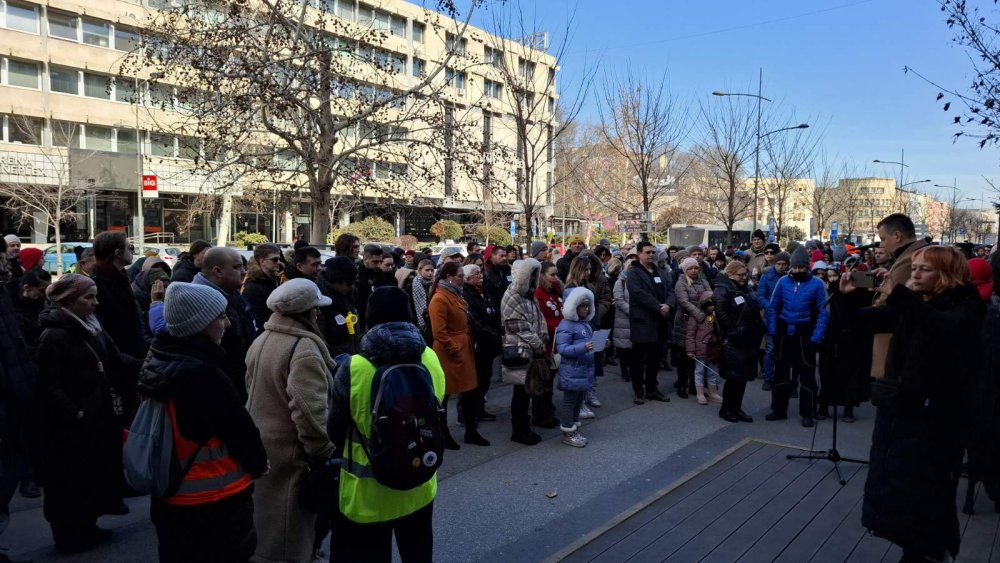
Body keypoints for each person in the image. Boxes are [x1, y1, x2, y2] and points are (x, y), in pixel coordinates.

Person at [839, 245, 984, 562]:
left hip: (934, 421)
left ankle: (926, 553)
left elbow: (944, 330)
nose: (914, 273)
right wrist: (849, 296)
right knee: (899, 496)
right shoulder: (917, 303)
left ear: (946, 275)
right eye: (913, 267)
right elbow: (868, 321)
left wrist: (901, 294)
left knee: (924, 498)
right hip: (900, 416)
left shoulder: (966, 305)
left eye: (924, 269)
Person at [141, 282, 268, 562]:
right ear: (201, 325)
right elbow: (239, 428)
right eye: (220, 317)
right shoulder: (205, 373)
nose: (227, 323)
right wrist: (259, 463)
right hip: (214, 495)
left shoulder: (160, 355)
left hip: (171, 489)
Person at [327, 287, 444, 563]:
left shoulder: (354, 367)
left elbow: (335, 431)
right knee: (418, 553)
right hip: (419, 480)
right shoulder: (429, 357)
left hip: (368, 494)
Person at [36, 274, 141, 552]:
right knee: (69, 480)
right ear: (68, 301)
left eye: (95, 296)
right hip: (72, 424)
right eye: (88, 297)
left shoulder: (92, 327)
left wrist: (147, 365)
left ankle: (87, 525)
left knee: (90, 476)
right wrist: (75, 414)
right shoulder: (55, 335)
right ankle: (69, 534)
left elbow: (115, 359)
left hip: (98, 416)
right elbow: (49, 384)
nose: (95, 302)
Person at [245, 278, 337, 563]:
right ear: (308, 312)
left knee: (267, 525)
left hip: (263, 444)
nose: (319, 314)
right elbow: (309, 410)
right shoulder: (303, 347)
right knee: (289, 535)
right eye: (316, 309)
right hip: (291, 452)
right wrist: (322, 450)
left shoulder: (262, 339)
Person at [765, 246, 829, 427]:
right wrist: (773, 331)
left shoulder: (817, 284)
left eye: (801, 268)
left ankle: (808, 412)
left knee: (807, 376)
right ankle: (778, 409)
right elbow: (773, 307)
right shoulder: (783, 282)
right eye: (794, 268)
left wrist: (816, 338)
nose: (797, 271)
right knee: (781, 374)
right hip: (785, 332)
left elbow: (824, 313)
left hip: (805, 333)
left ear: (807, 267)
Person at [428, 263, 486, 447]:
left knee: (470, 391)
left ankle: (471, 430)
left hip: (463, 347)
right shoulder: (439, 298)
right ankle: (443, 432)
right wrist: (454, 348)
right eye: (460, 275)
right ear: (448, 277)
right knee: (444, 395)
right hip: (449, 353)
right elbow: (439, 332)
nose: (463, 278)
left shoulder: (455, 294)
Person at [193, 247, 260, 402]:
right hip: (223, 389)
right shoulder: (200, 302)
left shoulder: (233, 293)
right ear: (218, 271)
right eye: (237, 267)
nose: (244, 272)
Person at [501, 258, 548, 445]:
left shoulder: (529, 295)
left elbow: (539, 317)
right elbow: (518, 326)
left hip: (531, 349)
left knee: (526, 391)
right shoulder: (513, 295)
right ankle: (519, 431)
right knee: (520, 393)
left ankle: (524, 428)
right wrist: (538, 342)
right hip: (520, 350)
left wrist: (542, 335)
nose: (535, 278)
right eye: (532, 274)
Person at [713, 261, 763, 423]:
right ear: (730, 274)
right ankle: (726, 409)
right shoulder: (722, 289)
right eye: (740, 275)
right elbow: (721, 314)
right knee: (733, 378)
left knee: (742, 378)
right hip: (734, 340)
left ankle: (737, 408)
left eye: (745, 274)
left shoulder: (745, 288)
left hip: (748, 338)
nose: (744, 277)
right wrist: (733, 333)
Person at [627, 241, 673, 404]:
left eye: (653, 252)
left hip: (660, 321)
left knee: (655, 358)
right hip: (643, 321)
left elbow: (670, 290)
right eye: (647, 252)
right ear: (639, 254)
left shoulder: (661, 272)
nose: (651, 255)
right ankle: (639, 390)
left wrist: (668, 305)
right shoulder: (633, 273)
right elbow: (638, 294)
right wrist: (657, 307)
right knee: (639, 359)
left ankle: (652, 389)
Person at [555, 287, 595, 448]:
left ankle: (574, 428)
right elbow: (562, 349)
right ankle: (568, 432)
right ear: (574, 306)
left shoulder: (584, 324)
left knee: (579, 401)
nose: (586, 308)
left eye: (588, 305)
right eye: (583, 305)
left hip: (583, 369)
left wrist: (599, 345)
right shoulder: (567, 325)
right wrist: (584, 347)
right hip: (572, 369)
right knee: (570, 402)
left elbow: (587, 344)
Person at [464, 263, 502, 426]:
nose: (480, 276)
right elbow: (475, 321)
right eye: (476, 274)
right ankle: (468, 414)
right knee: (476, 379)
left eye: (480, 273)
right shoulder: (467, 294)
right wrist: (494, 334)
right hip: (479, 342)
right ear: (467, 279)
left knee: (486, 377)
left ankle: (480, 410)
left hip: (489, 342)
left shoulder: (484, 290)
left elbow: (492, 310)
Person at [672, 257, 712, 399]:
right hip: (684, 323)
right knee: (683, 357)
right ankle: (682, 385)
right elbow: (683, 301)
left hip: (700, 325)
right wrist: (700, 314)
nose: (694, 270)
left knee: (696, 357)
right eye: (690, 268)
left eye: (695, 268)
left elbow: (709, 298)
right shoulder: (680, 282)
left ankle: (695, 386)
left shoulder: (704, 281)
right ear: (685, 270)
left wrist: (706, 314)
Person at [317, 256, 362, 358]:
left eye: (353, 282)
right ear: (335, 280)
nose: (351, 287)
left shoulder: (349, 296)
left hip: (352, 362)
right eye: (349, 283)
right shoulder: (319, 302)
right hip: (333, 364)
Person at [757, 251, 789, 391]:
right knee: (770, 349)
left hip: (787, 317)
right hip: (770, 316)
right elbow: (761, 296)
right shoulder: (766, 276)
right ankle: (768, 377)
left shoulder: (790, 277)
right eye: (778, 264)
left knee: (785, 350)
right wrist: (770, 307)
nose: (781, 267)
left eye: (784, 264)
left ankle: (783, 378)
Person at [686, 291, 722, 405]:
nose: (712, 307)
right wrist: (690, 350)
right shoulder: (696, 317)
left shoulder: (715, 317)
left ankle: (713, 393)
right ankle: (700, 393)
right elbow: (690, 334)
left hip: (712, 349)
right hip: (700, 349)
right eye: (710, 305)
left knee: (712, 371)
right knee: (699, 371)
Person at [242, 243, 282, 325]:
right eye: (275, 259)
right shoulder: (253, 287)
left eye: (279, 259)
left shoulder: (275, 279)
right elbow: (254, 318)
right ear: (262, 261)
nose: (279, 262)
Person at [612, 253, 635, 382]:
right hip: (623, 319)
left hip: (635, 320)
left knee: (633, 349)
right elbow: (619, 301)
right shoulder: (620, 282)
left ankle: (632, 370)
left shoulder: (638, 281)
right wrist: (633, 312)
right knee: (623, 348)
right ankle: (624, 371)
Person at [411, 258, 435, 338]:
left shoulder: (434, 284)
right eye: (427, 270)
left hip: (432, 317)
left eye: (432, 270)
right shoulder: (413, 284)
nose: (430, 273)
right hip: (418, 321)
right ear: (420, 270)